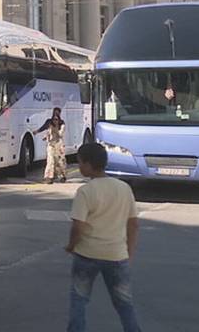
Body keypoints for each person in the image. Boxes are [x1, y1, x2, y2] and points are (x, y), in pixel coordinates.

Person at [65, 143, 141, 332]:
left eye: (80, 162)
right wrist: (129, 252)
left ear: (89, 164)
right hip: (116, 254)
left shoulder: (85, 191)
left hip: (87, 254)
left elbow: (78, 226)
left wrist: (71, 245)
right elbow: (133, 224)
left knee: (79, 300)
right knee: (124, 304)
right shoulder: (124, 188)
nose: (79, 166)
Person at [36, 107, 68, 184]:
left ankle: (62, 176)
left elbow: (60, 134)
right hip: (51, 144)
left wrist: (56, 129)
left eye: (57, 117)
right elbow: (45, 129)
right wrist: (41, 134)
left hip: (58, 144)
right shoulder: (49, 122)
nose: (55, 120)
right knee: (50, 161)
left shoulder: (62, 124)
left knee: (60, 161)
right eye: (54, 114)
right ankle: (48, 177)